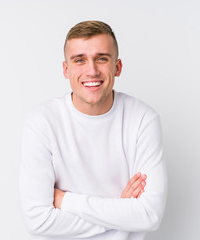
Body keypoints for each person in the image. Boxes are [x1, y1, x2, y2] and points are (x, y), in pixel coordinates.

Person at [19, 20, 167, 240]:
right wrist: (121, 215)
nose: (92, 70)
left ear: (117, 67)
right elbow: (38, 221)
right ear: (65, 69)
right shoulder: (41, 122)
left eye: (102, 58)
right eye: (80, 60)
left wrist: (65, 200)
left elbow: (149, 214)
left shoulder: (143, 119)